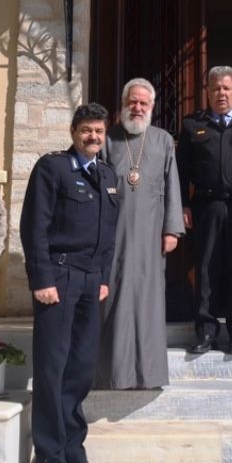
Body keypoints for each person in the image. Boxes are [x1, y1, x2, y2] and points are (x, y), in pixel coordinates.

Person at [20, 103, 118, 463]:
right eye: (86, 130)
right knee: (52, 369)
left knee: (80, 370)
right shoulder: (53, 168)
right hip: (58, 280)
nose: (93, 137)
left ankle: (73, 453)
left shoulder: (106, 175)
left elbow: (109, 235)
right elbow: (34, 227)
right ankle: (48, 459)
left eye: (99, 131)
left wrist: (104, 277)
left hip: (92, 282)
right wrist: (41, 279)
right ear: (73, 131)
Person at [97, 77, 185, 390]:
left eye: (143, 103)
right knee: (115, 302)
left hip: (150, 235)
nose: (137, 107)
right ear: (123, 104)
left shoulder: (163, 140)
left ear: (152, 107)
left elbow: (172, 186)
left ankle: (149, 374)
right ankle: (114, 374)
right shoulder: (108, 139)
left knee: (148, 303)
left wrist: (172, 229)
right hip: (114, 234)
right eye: (132, 102)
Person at [178, 66, 232, 355]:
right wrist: (183, 204)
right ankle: (206, 330)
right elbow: (181, 171)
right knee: (205, 269)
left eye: (226, 88)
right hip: (207, 206)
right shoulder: (193, 125)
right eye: (215, 88)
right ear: (208, 92)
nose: (221, 93)